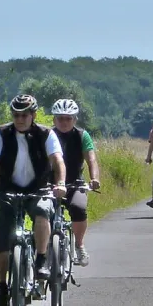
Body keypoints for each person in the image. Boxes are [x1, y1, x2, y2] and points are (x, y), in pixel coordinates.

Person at [0, 94, 67, 306]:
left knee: (43, 211)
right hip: (8, 191)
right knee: (1, 239)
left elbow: (57, 160)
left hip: (39, 188)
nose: (20, 119)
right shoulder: (1, 133)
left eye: (24, 115)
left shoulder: (46, 134)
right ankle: (2, 286)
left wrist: (61, 182)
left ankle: (42, 259)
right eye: (16, 115)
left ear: (33, 115)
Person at [50, 98, 101, 266]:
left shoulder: (81, 135)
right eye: (60, 118)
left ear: (75, 120)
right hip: (49, 184)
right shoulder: (47, 136)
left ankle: (79, 245)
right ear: (54, 119)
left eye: (68, 118)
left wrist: (94, 178)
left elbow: (91, 159)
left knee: (79, 208)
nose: (64, 122)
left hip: (74, 183)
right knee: (40, 213)